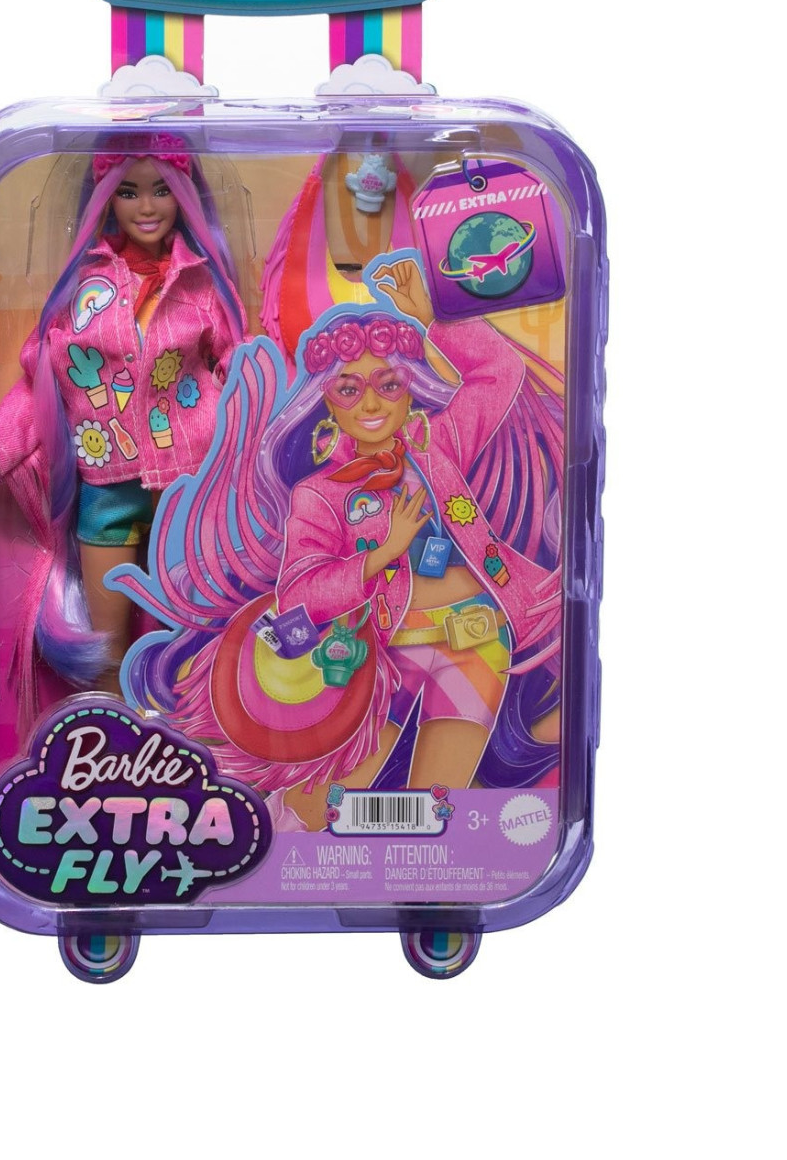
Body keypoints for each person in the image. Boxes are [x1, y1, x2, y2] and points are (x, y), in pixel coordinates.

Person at [116, 257, 563, 828]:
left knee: (433, 813)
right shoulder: (320, 494)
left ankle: (410, 876)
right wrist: (382, 554)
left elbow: (499, 370)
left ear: (409, 390)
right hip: (376, 659)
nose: (371, 405)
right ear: (327, 403)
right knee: (318, 811)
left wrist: (432, 319)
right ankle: (285, 852)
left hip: (477, 641)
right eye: (349, 390)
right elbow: (301, 592)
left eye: (388, 385)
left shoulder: (440, 447)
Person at [0, 133, 247, 736]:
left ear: (184, 195)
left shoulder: (202, 283)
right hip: (108, 484)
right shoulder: (84, 288)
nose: (146, 207)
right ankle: (113, 737)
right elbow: (45, 376)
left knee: (190, 630)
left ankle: (189, 734)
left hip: (190, 483)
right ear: (105, 199)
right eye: (128, 192)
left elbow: (239, 366)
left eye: (160, 190)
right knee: (107, 644)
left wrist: (272, 427)